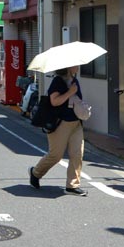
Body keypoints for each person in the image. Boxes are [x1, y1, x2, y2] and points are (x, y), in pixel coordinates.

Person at [29, 65, 87, 196]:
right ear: (68, 67)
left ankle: (72, 185)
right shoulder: (58, 81)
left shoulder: (74, 80)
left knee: (77, 154)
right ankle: (35, 173)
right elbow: (54, 101)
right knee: (56, 155)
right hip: (60, 123)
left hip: (76, 123)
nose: (78, 67)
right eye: (75, 65)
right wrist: (70, 92)